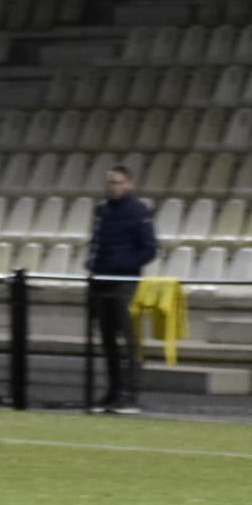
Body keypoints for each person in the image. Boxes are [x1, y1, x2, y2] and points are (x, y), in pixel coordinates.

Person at [85, 165, 158, 415]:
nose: (113, 187)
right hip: (101, 281)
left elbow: (149, 248)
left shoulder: (138, 210)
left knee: (129, 340)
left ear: (129, 184)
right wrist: (93, 264)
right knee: (108, 341)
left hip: (125, 282)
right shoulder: (102, 210)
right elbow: (96, 242)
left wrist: (124, 266)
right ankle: (114, 389)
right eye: (110, 183)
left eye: (117, 182)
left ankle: (131, 393)